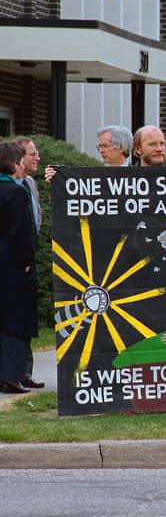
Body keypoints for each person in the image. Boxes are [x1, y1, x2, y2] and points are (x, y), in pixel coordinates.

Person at [0, 141, 38, 394]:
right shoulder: (17, 193)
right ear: (16, 165)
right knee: (16, 322)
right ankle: (12, 376)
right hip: (14, 267)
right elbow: (22, 232)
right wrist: (27, 261)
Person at [12, 137, 45, 389]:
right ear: (18, 159)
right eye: (33, 154)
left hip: (29, 258)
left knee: (27, 316)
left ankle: (25, 373)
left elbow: (37, 216)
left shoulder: (31, 184)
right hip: (13, 262)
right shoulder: (9, 188)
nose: (38, 159)